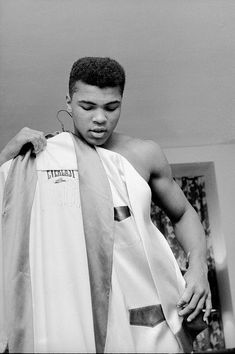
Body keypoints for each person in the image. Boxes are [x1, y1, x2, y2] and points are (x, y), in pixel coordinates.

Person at [0, 57, 211, 353]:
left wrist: (198, 267)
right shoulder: (45, 160)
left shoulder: (144, 153)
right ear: (69, 102)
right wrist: (5, 159)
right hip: (79, 313)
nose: (100, 118)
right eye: (88, 107)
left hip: (148, 311)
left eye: (112, 108)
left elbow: (184, 213)